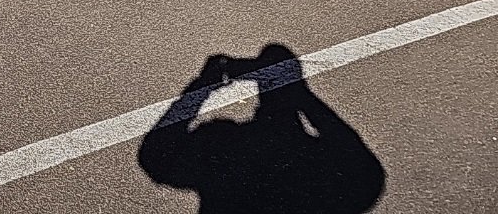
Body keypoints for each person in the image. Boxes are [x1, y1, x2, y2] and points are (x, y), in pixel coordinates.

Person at [138, 44, 385, 213]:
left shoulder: (222, 174)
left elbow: (154, 150)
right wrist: (300, 94)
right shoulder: (291, 153)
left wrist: (201, 86)